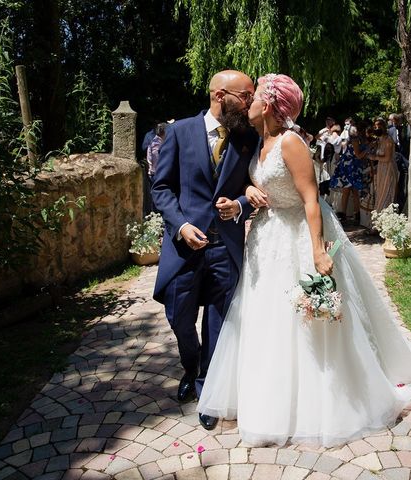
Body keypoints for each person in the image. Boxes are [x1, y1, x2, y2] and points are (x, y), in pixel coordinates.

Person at [197, 73, 411, 447]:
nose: (247, 102)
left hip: (298, 234)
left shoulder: (291, 143)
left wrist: (317, 249)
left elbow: (312, 199)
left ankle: (315, 400)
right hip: (266, 237)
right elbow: (255, 182)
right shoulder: (259, 141)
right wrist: (250, 188)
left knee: (303, 321)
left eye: (254, 96)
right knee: (264, 315)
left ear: (267, 105)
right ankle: (264, 395)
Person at [151, 70, 259, 431]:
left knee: (217, 321)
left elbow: (254, 185)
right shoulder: (179, 132)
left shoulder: (248, 137)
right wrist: (180, 225)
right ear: (219, 94)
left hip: (224, 247)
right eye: (245, 96)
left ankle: (206, 388)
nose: (250, 103)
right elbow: (161, 188)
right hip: (184, 248)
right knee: (179, 315)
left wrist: (241, 203)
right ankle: (190, 365)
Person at [367, 118, 399, 213]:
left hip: (388, 168)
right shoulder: (379, 140)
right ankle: (379, 216)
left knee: (387, 192)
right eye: (375, 127)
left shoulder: (388, 140)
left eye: (379, 126)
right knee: (380, 192)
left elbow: (387, 158)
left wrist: (374, 157)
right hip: (381, 168)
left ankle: (386, 215)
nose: (377, 128)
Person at [144, 122, 167, 212]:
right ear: (163, 132)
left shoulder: (156, 141)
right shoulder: (157, 144)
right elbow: (158, 162)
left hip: (155, 173)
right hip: (157, 174)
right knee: (158, 196)